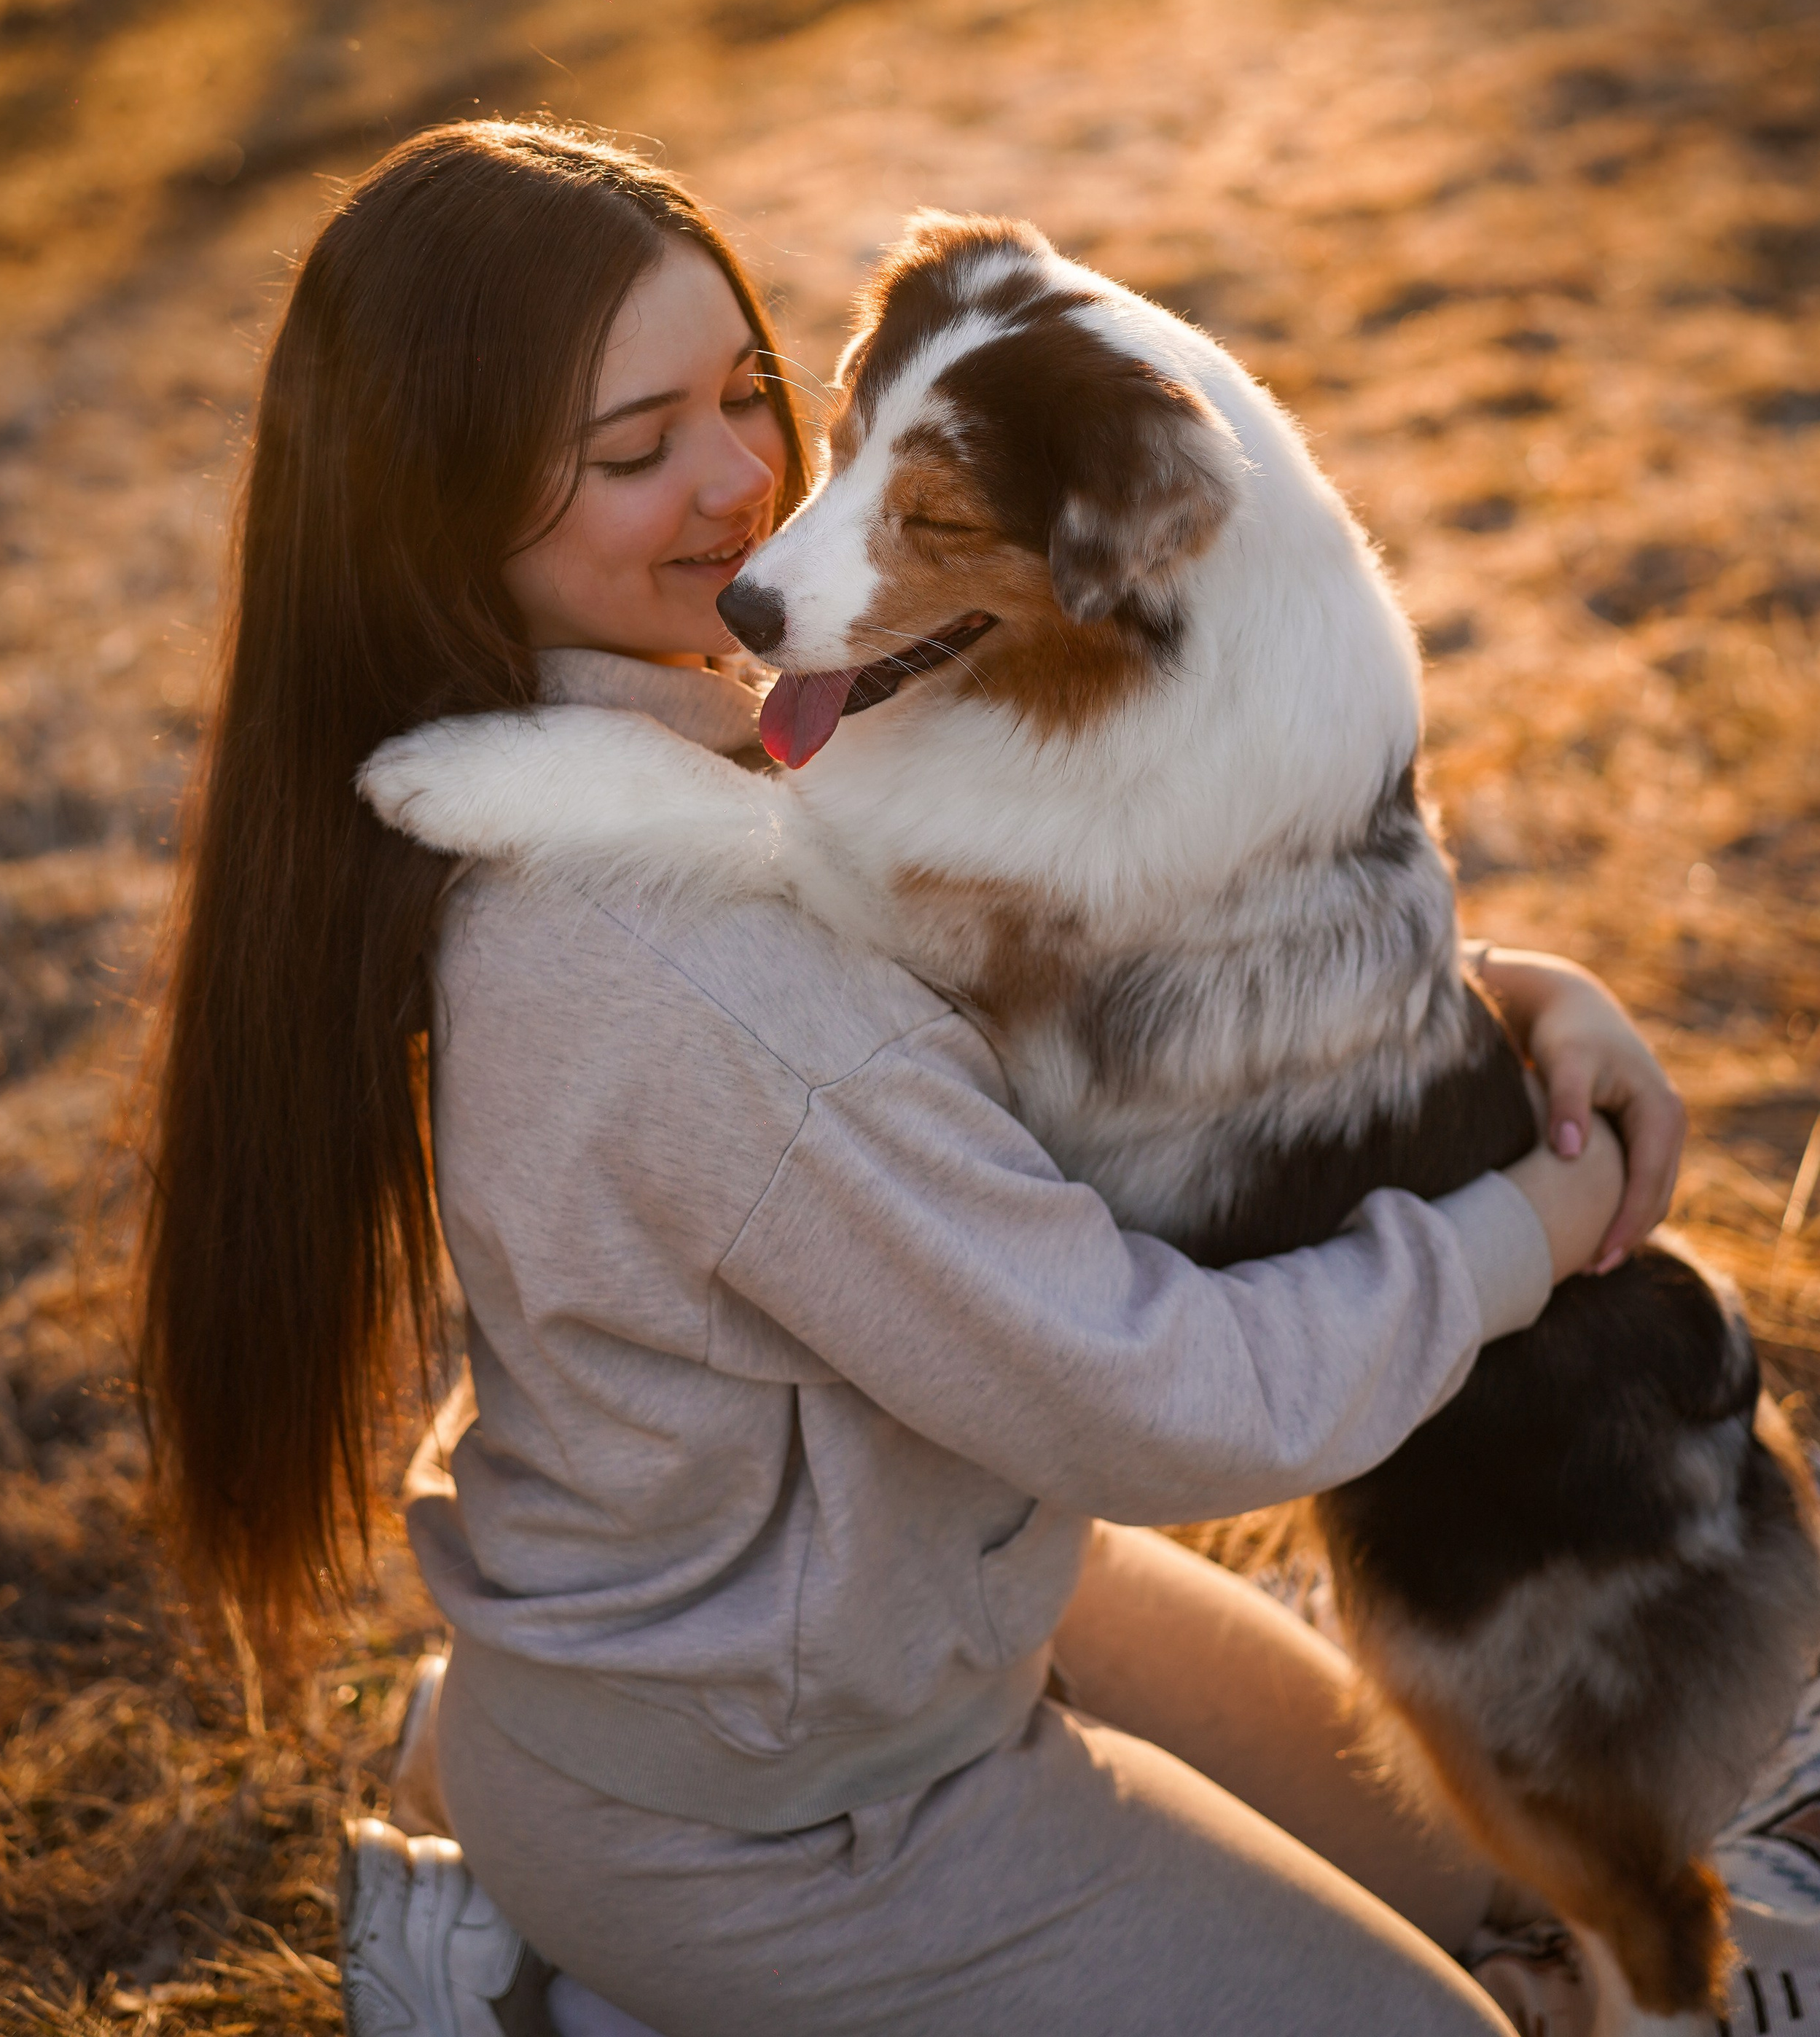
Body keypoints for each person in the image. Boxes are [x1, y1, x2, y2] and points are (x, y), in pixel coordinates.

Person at [141, 119, 1690, 2037]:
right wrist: (1529, 1228)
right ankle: (556, 1991)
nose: (740, 489)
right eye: (638, 453)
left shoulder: (716, 725)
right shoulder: (688, 971)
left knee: (1513, 1881)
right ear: (438, 511)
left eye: (750, 394)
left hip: (909, 1599)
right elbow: (1179, 1393)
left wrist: (1516, 1005)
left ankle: (547, 1782)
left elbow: (1077, 991)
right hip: (792, 1807)